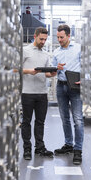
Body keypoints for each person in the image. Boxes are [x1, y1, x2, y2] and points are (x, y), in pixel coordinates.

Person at [21, 27, 56, 160]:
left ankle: (40, 148)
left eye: (45, 40)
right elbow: (14, 69)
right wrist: (29, 71)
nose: (43, 42)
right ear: (35, 36)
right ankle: (27, 149)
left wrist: (51, 74)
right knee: (26, 122)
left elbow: (46, 74)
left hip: (42, 93)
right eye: (41, 39)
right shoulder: (25, 51)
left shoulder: (46, 54)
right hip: (27, 92)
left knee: (40, 122)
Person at [52, 24, 84, 165]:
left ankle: (78, 150)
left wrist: (84, 78)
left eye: (62, 37)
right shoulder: (56, 52)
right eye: (58, 37)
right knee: (65, 118)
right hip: (61, 86)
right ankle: (68, 145)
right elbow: (52, 72)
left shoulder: (78, 48)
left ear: (69, 36)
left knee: (77, 119)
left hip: (75, 87)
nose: (59, 40)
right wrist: (55, 69)